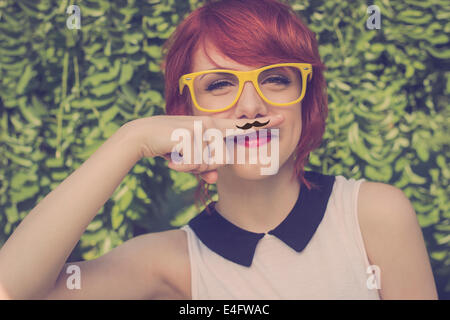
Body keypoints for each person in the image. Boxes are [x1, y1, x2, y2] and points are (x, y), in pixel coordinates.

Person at [0, 0, 438, 300]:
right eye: (221, 84)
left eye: (275, 78)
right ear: (183, 113)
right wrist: (131, 139)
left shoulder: (373, 214)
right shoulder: (168, 260)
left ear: (307, 100)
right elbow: (11, 289)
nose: (251, 106)